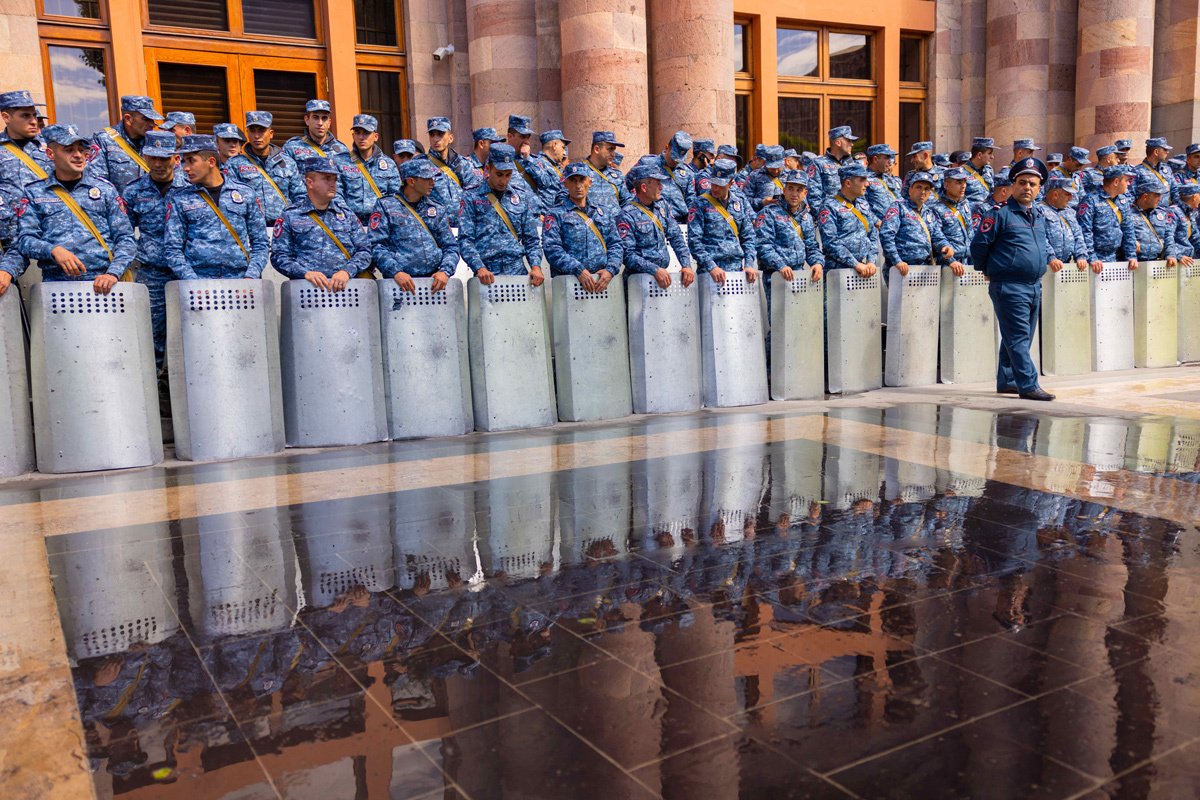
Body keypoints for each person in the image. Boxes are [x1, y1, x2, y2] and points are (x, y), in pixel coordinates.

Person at [970, 157, 1062, 400]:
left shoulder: (1039, 215)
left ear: (1040, 188)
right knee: (1019, 338)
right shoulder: (999, 214)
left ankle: (1008, 380)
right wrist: (986, 269)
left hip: (1033, 285)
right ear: (1012, 185)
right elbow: (979, 245)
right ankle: (1028, 385)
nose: (1027, 188)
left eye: (1032, 184)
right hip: (1009, 285)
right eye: (1022, 183)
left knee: (1019, 337)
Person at [13, 124, 135, 295]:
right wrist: (53, 250)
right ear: (50, 154)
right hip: (56, 286)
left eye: (80, 149)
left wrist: (113, 273)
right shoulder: (35, 193)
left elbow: (125, 239)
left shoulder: (105, 190)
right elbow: (25, 240)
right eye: (69, 150)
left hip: (104, 285)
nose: (78, 155)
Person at [122, 130, 189, 370]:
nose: (159, 164)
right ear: (145, 157)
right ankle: (159, 400)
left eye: (165, 158)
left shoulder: (191, 187)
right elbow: (123, 233)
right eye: (153, 158)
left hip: (189, 272)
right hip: (152, 274)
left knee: (193, 333)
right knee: (151, 338)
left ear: (176, 159)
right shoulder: (133, 191)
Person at [163, 134, 270, 280]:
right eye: (183, 162)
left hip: (240, 282)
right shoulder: (180, 198)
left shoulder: (245, 193)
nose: (185, 168)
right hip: (198, 283)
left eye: (191, 161)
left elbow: (260, 242)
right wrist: (192, 281)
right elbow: (172, 248)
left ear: (211, 162)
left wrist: (251, 276)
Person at [272, 157, 371, 290]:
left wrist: (347, 271)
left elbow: (364, 250)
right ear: (310, 182)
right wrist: (304, 273)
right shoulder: (290, 215)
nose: (333, 184)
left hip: (346, 293)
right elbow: (279, 256)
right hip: (307, 292)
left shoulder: (347, 214)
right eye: (326, 179)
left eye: (334, 179)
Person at [368, 156, 459, 293]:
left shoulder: (436, 209)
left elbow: (450, 246)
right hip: (400, 285)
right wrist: (396, 272)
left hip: (433, 285)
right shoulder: (386, 206)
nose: (432, 182)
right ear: (411, 181)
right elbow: (376, 245)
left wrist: (445, 271)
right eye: (427, 178)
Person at [458, 143, 543, 285]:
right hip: (486, 275)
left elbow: (531, 239)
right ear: (488, 169)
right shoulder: (471, 197)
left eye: (508, 175)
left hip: (517, 272)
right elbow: (465, 240)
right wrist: (479, 267)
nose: (503, 181)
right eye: (499, 174)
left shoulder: (520, 197)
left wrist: (536, 266)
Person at [542, 162, 623, 293]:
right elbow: (552, 249)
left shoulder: (602, 212)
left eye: (582, 180)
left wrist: (610, 270)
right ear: (565, 184)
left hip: (602, 283)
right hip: (570, 284)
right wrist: (578, 270)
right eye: (573, 181)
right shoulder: (555, 214)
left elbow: (615, 244)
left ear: (590, 182)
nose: (578, 186)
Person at [754, 169, 824, 306]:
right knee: (779, 321)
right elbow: (762, 245)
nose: (794, 194)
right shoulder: (769, 213)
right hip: (776, 275)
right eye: (790, 188)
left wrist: (817, 263)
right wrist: (781, 265)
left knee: (800, 319)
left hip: (799, 275)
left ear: (805, 193)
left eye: (799, 190)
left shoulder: (806, 217)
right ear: (784, 190)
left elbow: (811, 246)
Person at [616, 163, 693, 288]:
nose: (661, 187)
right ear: (644, 187)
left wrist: (686, 265)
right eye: (657, 183)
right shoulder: (627, 214)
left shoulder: (663, 206)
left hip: (662, 278)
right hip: (638, 281)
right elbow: (627, 254)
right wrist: (654, 270)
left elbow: (676, 237)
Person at [224, 111, 300, 226]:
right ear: (247, 133)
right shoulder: (235, 164)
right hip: (252, 229)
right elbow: (229, 201)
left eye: (261, 130)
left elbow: (299, 196)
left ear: (271, 133)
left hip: (284, 228)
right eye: (252, 130)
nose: (257, 136)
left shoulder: (288, 163)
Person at [688, 158, 757, 285]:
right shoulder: (700, 203)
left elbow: (748, 237)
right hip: (710, 272)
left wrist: (749, 264)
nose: (715, 188)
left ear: (731, 183)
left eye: (720, 185)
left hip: (737, 270)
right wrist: (711, 266)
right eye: (713, 183)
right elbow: (694, 241)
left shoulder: (739, 203)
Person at [0, 89, 52, 246]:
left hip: (48, 238)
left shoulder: (52, 147)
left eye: (34, 115)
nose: (34, 121)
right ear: (6, 117)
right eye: (25, 116)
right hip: (9, 239)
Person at [878, 171, 953, 278]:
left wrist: (945, 246)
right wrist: (897, 261)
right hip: (902, 268)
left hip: (924, 268)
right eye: (919, 187)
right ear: (910, 190)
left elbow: (937, 236)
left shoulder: (929, 212)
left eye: (927, 189)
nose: (923, 192)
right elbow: (886, 236)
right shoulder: (899, 207)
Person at [332, 114, 399, 224]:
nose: (361, 137)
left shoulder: (388, 164)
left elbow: (395, 196)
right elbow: (336, 194)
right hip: (350, 223)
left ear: (376, 136)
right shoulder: (340, 162)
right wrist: (348, 219)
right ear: (353, 136)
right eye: (358, 132)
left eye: (366, 133)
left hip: (380, 223)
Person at [89, 95, 164, 191]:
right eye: (146, 119)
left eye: (152, 120)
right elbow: (97, 180)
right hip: (117, 204)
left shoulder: (155, 142)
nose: (152, 124)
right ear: (128, 119)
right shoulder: (104, 140)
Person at [816, 163, 879, 276]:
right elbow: (830, 242)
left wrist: (871, 261)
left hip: (863, 270)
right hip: (838, 271)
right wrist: (855, 264)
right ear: (848, 183)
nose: (867, 184)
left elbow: (872, 234)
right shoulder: (829, 206)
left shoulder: (863, 204)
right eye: (862, 180)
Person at [1076, 164, 1137, 271]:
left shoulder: (1123, 201)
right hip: (1096, 262)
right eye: (1126, 180)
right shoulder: (1091, 200)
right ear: (1116, 182)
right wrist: (1092, 257)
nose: (1129, 184)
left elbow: (1128, 229)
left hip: (1117, 258)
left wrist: (1131, 255)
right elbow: (1085, 231)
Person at [1039, 176, 1090, 273]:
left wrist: (1081, 256)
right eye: (1068, 194)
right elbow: (1040, 237)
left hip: (1066, 267)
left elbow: (1078, 235)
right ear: (1055, 194)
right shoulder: (1039, 211)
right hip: (1046, 268)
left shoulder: (1069, 212)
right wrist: (1051, 258)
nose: (1071, 198)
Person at [1128, 175, 1181, 265]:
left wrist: (1171, 255)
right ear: (1145, 196)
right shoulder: (1128, 213)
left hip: (1159, 263)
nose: (1160, 198)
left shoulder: (1162, 213)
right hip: (1136, 264)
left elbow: (1168, 236)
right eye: (1157, 195)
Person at [808, 125, 859, 213]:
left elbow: (860, 195)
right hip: (831, 218)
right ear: (838, 143)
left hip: (851, 218)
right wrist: (825, 218)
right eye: (848, 140)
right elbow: (813, 196)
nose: (852, 144)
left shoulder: (853, 165)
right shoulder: (818, 163)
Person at [935, 166, 974, 276]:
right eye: (958, 182)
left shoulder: (965, 205)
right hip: (948, 266)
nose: (963, 186)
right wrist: (950, 261)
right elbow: (936, 238)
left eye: (965, 182)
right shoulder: (937, 208)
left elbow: (971, 233)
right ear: (946, 185)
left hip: (967, 262)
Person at [281, 100, 349, 161]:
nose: (320, 123)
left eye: (324, 118)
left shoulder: (342, 150)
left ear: (329, 123)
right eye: (315, 117)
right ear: (307, 120)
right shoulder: (292, 147)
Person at [580, 131, 629, 214]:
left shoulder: (617, 176)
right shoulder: (579, 173)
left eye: (614, 150)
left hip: (614, 225)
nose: (613, 154)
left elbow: (626, 202)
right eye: (610, 149)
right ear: (597, 149)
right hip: (589, 225)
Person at [425, 116, 467, 213]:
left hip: (462, 223)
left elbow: (474, 194)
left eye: (440, 134)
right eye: (432, 135)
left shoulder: (463, 164)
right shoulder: (420, 165)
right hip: (435, 223)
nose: (435, 139)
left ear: (450, 138)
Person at [523, 129, 569, 212]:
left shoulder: (555, 167)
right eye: (563, 147)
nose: (564, 153)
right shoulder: (536, 163)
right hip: (542, 217)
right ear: (554, 145)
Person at [655, 130, 695, 224]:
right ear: (667, 147)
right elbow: (629, 185)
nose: (675, 161)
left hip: (679, 223)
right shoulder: (649, 163)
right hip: (654, 222)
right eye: (673, 157)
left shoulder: (687, 173)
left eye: (679, 159)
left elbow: (691, 201)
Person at [863, 143, 901, 223]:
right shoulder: (863, 179)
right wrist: (876, 221)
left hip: (897, 226)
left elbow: (899, 199)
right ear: (875, 159)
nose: (890, 162)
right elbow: (861, 205)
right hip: (879, 228)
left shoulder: (888, 178)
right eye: (887, 158)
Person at [1133, 137, 1174, 208]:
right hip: (1147, 214)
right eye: (1165, 150)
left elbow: (1174, 189)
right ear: (1156, 152)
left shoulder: (1167, 169)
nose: (1167, 152)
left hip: (1165, 214)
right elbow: (1132, 194)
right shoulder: (1137, 171)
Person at [747, 144, 786, 212]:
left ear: (784, 161)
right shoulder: (754, 176)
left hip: (786, 220)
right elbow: (744, 201)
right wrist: (762, 202)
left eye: (778, 167)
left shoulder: (791, 176)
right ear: (765, 162)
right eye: (772, 168)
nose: (776, 171)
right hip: (762, 219)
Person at [962, 137, 995, 205]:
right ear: (979, 155)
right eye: (989, 153)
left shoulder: (989, 170)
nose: (992, 157)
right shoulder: (961, 172)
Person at [1171, 183, 1200, 259]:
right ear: (1194, 197)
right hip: (1175, 260)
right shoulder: (1173, 211)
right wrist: (1177, 255)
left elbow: (1195, 238)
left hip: (1188, 258)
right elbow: (1167, 237)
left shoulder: (1189, 213)